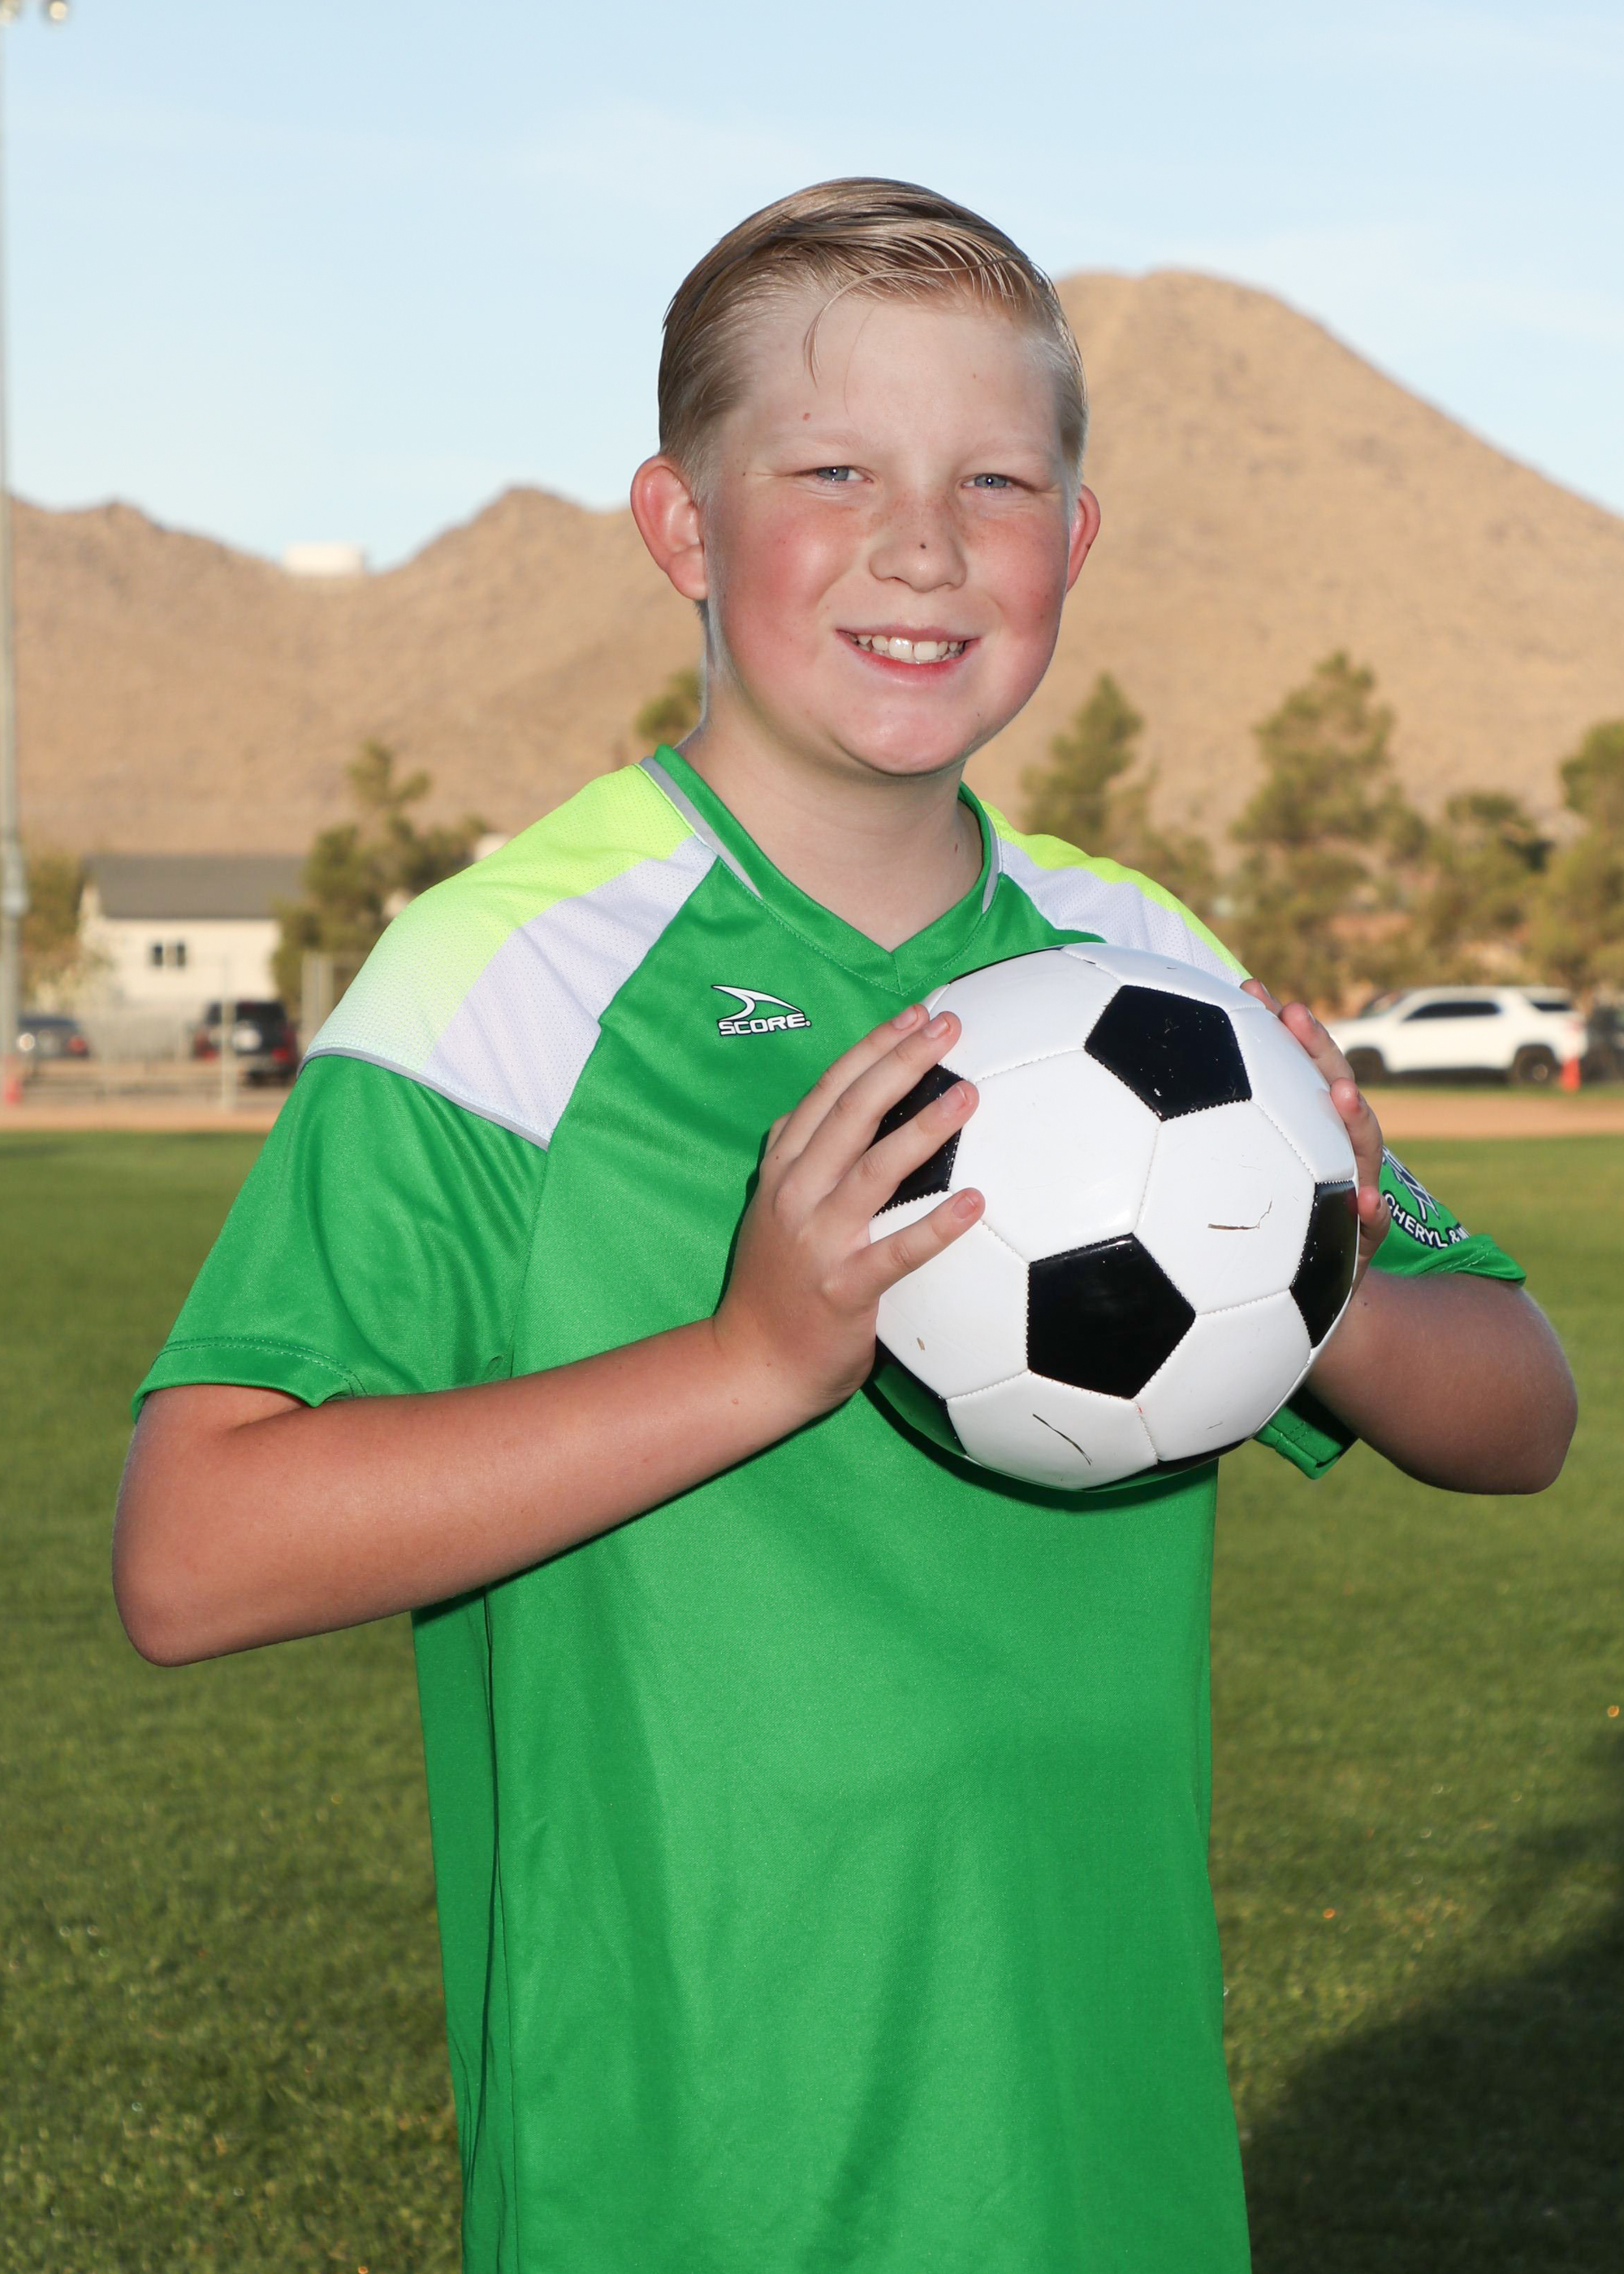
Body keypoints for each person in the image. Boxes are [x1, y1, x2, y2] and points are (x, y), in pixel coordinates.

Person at [114, 179, 1576, 2273]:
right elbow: (192, 1553)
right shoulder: (502, 982)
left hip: (1104, 2159)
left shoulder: (1150, 974)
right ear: (682, 527)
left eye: (995, 480)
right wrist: (747, 1364)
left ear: (1075, 538)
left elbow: (1522, 1410)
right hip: (688, 2177)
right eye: (832, 474)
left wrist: (1294, 1255)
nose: (923, 544)